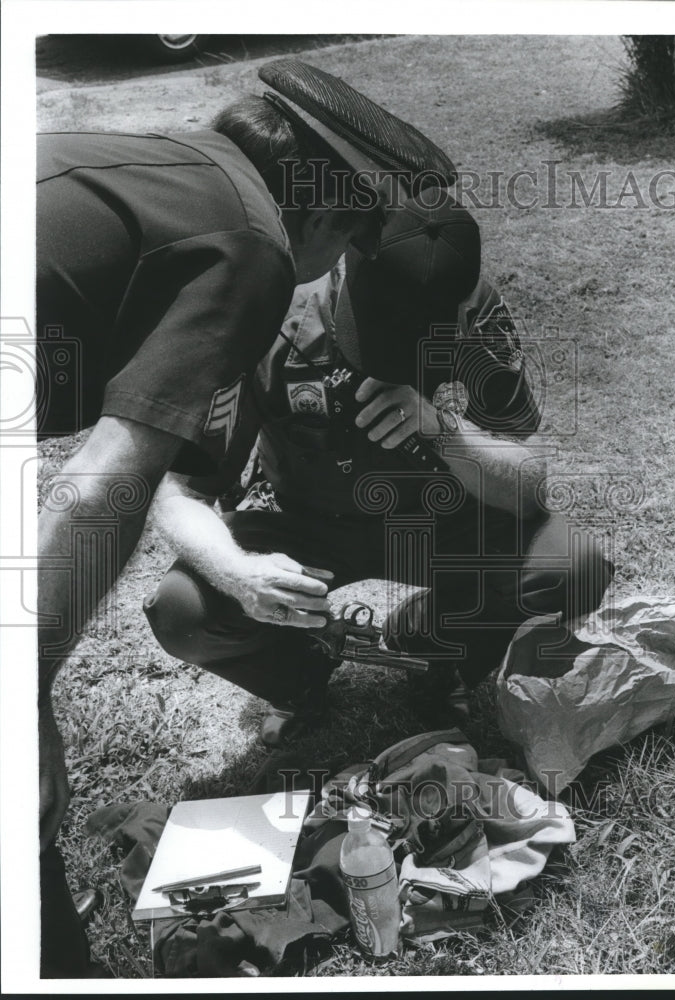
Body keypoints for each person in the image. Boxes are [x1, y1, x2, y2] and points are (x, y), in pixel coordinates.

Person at [36, 58, 457, 977]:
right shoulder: (254, 247)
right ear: (328, 215)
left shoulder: (150, 162)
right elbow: (114, 479)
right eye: (351, 242)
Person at [143, 188, 615, 746]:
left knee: (574, 565)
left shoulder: (475, 310)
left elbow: (530, 486)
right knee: (182, 610)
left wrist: (445, 430)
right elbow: (179, 490)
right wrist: (238, 574)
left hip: (439, 515)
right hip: (303, 519)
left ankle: (435, 646)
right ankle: (302, 675)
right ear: (347, 262)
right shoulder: (272, 312)